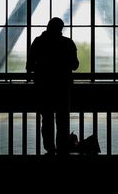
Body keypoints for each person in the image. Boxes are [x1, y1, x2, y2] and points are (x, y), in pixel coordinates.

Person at [26, 17, 79, 155]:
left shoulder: (38, 42)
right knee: (62, 119)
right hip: (62, 86)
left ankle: (50, 148)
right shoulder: (67, 43)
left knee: (47, 119)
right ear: (61, 29)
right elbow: (75, 65)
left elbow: (29, 66)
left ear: (48, 26)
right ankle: (62, 148)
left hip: (44, 87)